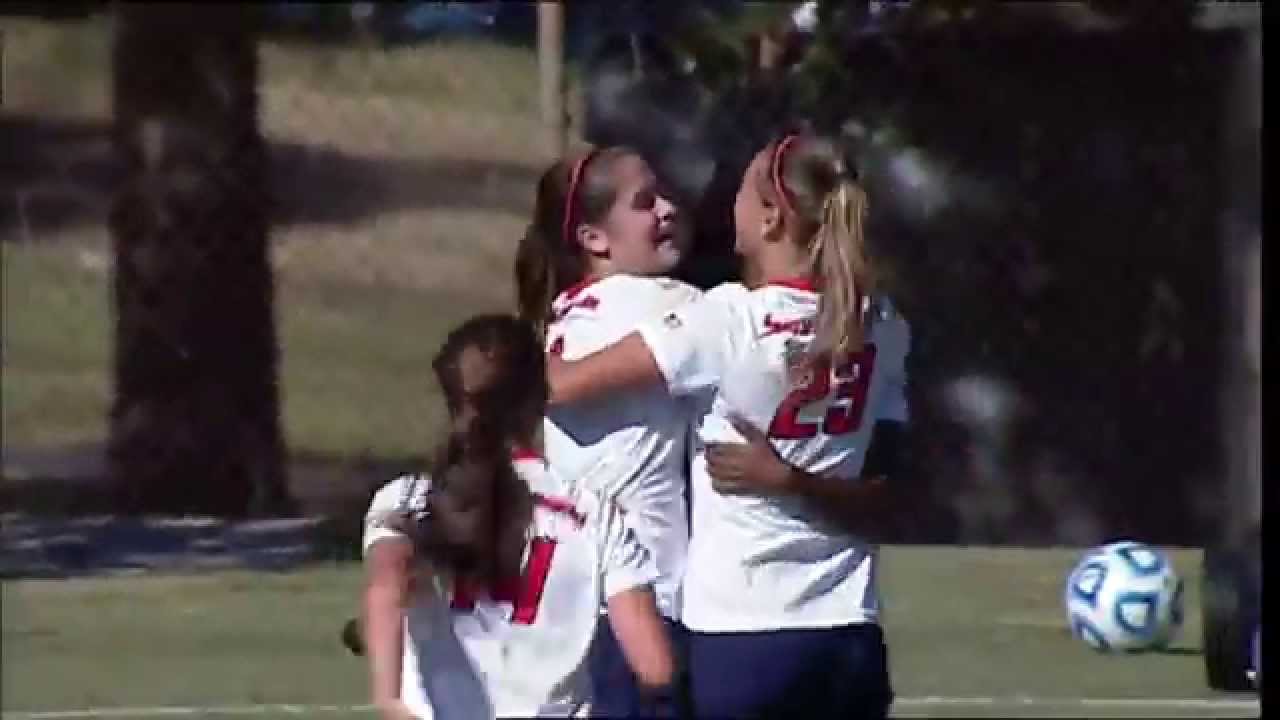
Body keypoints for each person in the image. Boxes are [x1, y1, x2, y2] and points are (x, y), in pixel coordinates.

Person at [546, 132, 910, 718]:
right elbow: (890, 498)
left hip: (744, 634)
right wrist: (795, 481)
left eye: (740, 188)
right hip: (852, 634)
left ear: (769, 218)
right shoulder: (884, 323)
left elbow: (558, 386)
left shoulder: (719, 319)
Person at [360, 314, 676, 720]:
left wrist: (388, 698)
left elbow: (387, 585)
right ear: (541, 394)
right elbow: (654, 667)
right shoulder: (593, 512)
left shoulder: (408, 498)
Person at [514, 145, 703, 717]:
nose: (668, 210)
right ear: (595, 238)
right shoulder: (671, 304)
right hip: (645, 593)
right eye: (646, 204)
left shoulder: (562, 315)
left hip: (563, 600)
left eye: (664, 196)